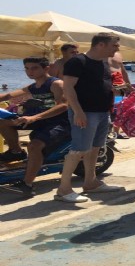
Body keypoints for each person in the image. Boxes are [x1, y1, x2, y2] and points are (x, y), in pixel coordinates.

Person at [55, 33, 123, 203]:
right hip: (85, 112)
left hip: (102, 111)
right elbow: (68, 88)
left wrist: (117, 90)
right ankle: (63, 189)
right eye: (114, 45)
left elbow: (98, 84)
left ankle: (90, 182)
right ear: (100, 45)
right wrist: (78, 112)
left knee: (95, 148)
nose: (117, 48)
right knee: (79, 149)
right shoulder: (78, 61)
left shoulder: (103, 62)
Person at [0, 57, 71, 196]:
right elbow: (9, 95)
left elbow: (63, 105)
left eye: (34, 68)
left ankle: (27, 184)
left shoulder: (56, 84)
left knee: (34, 145)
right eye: (27, 68)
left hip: (59, 122)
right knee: (3, 122)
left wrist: (34, 117)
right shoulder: (33, 86)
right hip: (40, 120)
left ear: (46, 68)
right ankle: (16, 151)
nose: (29, 71)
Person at [108, 51, 131, 139]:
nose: (116, 46)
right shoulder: (101, 54)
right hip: (107, 88)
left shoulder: (118, 55)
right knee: (109, 110)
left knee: (118, 109)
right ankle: (107, 133)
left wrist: (129, 85)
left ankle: (116, 132)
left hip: (119, 89)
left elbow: (123, 71)